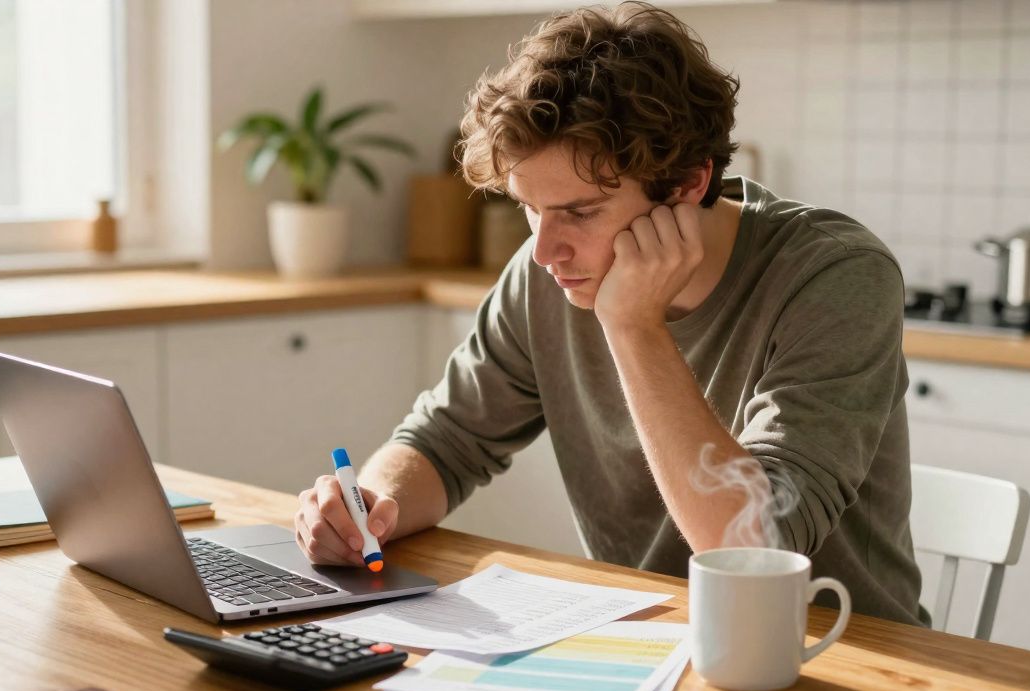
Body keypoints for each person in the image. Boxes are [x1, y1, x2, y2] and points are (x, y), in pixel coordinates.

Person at [293, 1, 927, 625]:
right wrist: (371, 509)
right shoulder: (549, 271)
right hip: (642, 646)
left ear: (685, 185)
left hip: (831, 660)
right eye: (531, 209)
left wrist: (633, 326)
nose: (544, 251)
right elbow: (446, 441)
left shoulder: (836, 276)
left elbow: (755, 547)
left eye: (580, 211)